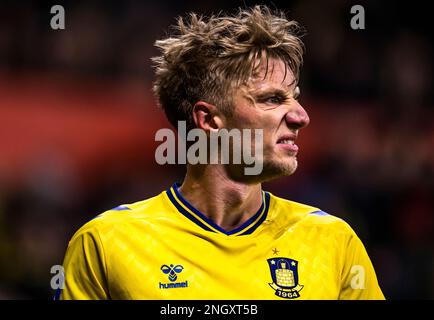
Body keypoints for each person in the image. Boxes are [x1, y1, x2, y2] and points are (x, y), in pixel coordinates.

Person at [57, 5, 384, 300]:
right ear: (209, 120)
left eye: (295, 96)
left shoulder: (334, 243)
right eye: (272, 99)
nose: (301, 116)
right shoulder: (105, 244)